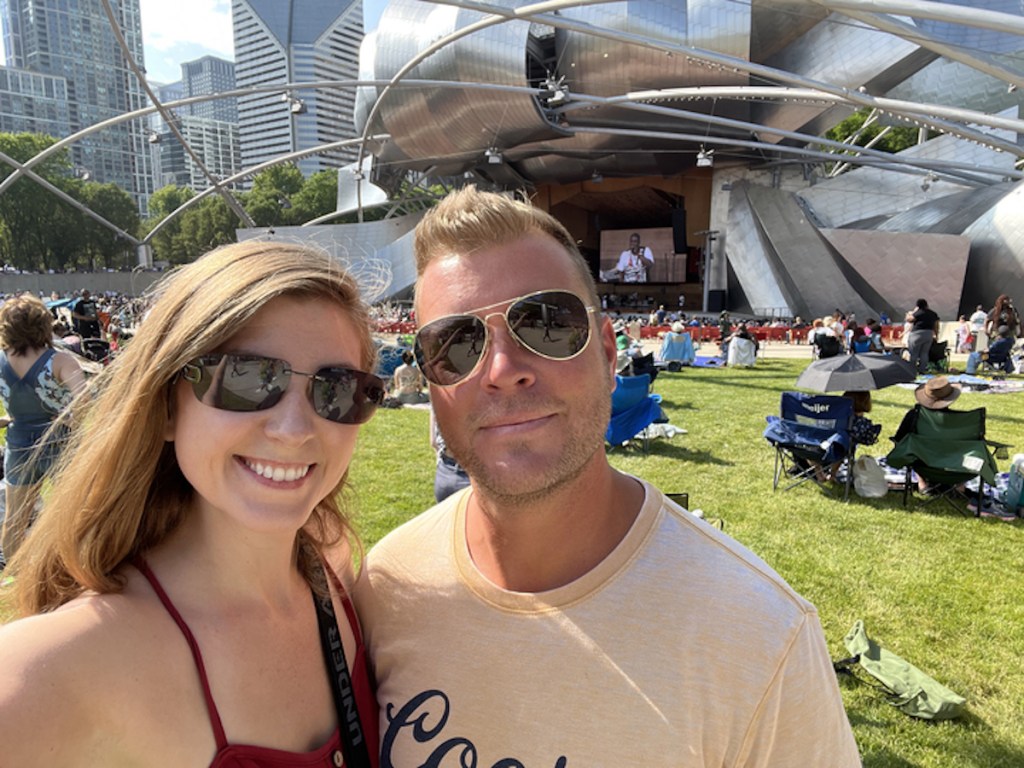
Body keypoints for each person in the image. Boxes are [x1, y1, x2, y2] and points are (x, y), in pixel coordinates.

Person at [354, 186, 860, 766]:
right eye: (455, 344)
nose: (501, 371)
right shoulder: (384, 588)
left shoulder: (762, 638)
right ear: (431, 382)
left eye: (546, 324)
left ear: (607, 353)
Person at [0, 242, 382, 766]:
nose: (294, 430)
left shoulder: (336, 570)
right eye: (245, 377)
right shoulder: (58, 665)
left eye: (338, 389)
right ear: (166, 407)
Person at [0, 294, 86, 563]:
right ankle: (72, 567)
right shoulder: (60, 360)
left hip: (19, 443)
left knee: (15, 518)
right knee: (72, 512)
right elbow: (84, 399)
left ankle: (14, 576)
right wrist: (73, 420)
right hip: (59, 442)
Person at [905, 298, 939, 374]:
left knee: (914, 353)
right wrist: (936, 335)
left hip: (917, 333)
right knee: (924, 353)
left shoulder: (918, 313)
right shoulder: (933, 313)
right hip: (929, 333)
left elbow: (909, 320)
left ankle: (912, 370)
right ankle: (922, 370)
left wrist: (912, 312)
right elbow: (936, 325)